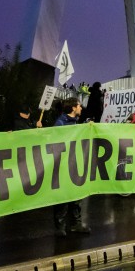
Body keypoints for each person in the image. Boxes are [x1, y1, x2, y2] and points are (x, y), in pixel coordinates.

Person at [52, 98, 91, 235]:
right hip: (63, 165)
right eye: (79, 106)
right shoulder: (60, 123)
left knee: (76, 195)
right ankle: (60, 227)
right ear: (73, 108)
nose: (81, 108)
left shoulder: (74, 122)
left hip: (74, 163)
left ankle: (75, 224)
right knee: (63, 197)